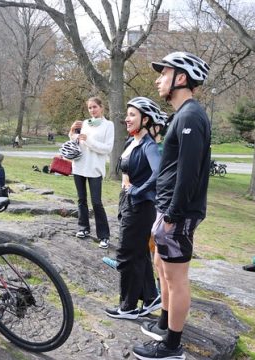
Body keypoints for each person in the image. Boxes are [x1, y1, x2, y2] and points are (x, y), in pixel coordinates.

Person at [133, 51, 211, 360]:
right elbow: (171, 168)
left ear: (180, 78)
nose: (157, 79)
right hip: (165, 208)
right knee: (161, 268)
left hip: (177, 213)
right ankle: (165, 323)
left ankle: (171, 346)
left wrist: (173, 215)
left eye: (163, 74)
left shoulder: (191, 116)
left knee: (177, 279)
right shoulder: (181, 116)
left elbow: (189, 173)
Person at [104, 97, 163, 320]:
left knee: (127, 254)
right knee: (138, 253)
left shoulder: (149, 145)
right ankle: (150, 297)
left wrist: (138, 191)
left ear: (145, 119)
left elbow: (158, 174)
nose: (127, 119)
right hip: (129, 204)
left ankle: (127, 306)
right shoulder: (132, 142)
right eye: (127, 114)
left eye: (132, 115)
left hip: (141, 207)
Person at [68, 97, 114, 248]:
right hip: (79, 166)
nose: (92, 110)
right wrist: (72, 132)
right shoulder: (85, 123)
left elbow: (107, 148)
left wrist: (88, 140)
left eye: (94, 107)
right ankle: (83, 228)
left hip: (95, 169)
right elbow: (76, 140)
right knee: (81, 200)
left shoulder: (109, 125)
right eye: (89, 108)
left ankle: (104, 236)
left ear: (101, 107)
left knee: (96, 202)